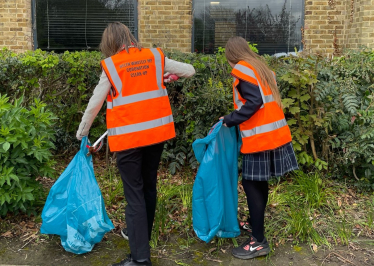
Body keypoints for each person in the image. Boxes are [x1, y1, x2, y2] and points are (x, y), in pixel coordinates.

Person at [76, 22, 195, 266]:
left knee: (134, 196)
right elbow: (189, 70)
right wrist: (163, 76)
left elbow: (95, 103)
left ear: (110, 43)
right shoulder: (154, 56)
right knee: (148, 187)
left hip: (129, 141)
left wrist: (82, 133)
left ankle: (140, 259)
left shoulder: (112, 65)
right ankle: (142, 236)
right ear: (130, 37)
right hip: (155, 136)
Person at [221, 36, 299, 260]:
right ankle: (256, 226)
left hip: (260, 138)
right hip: (275, 135)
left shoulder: (243, 70)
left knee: (250, 183)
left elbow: (254, 102)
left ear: (231, 55)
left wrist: (230, 119)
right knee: (258, 183)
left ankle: (258, 241)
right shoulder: (261, 68)